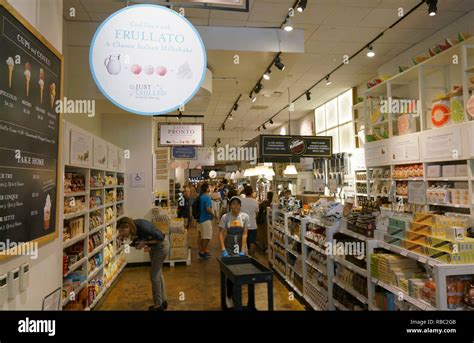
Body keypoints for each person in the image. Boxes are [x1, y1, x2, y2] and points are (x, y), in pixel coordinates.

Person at [117, 217, 169, 311]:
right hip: (155, 248)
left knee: (154, 276)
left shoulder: (142, 226)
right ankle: (163, 301)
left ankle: (158, 305)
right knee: (158, 273)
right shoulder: (135, 227)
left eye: (122, 231)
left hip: (161, 247)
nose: (121, 233)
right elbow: (137, 240)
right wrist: (127, 243)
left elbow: (161, 238)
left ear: (127, 226)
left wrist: (144, 242)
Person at [219, 196, 249, 308]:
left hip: (240, 245)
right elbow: (221, 233)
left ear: (240, 205)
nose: (235, 206)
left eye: (237, 204)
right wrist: (223, 249)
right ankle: (228, 296)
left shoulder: (245, 217)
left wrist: (243, 249)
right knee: (230, 273)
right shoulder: (225, 217)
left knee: (240, 273)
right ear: (230, 205)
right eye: (233, 204)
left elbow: (245, 233)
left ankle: (237, 297)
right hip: (229, 246)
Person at [240, 186, 259, 257]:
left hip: (243, 225)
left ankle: (245, 256)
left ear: (244, 192)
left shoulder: (241, 201)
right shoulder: (255, 202)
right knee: (252, 242)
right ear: (252, 192)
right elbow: (256, 213)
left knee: (244, 241)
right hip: (253, 225)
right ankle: (252, 257)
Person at [197, 183, 213, 260]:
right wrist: (213, 214)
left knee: (203, 236)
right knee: (207, 237)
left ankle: (202, 251)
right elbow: (208, 209)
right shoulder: (207, 197)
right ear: (207, 189)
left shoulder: (201, 197)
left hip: (201, 219)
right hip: (206, 219)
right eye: (209, 187)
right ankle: (202, 252)